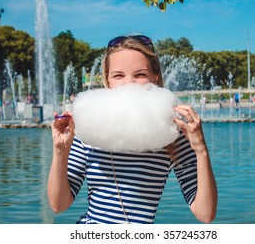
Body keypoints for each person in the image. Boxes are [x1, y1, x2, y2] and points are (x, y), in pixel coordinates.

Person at [48, 34, 217, 224]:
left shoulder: (172, 133)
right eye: (118, 75)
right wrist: (60, 150)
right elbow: (58, 205)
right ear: (108, 80)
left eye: (140, 74)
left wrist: (200, 149)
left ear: (155, 77)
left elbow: (205, 214)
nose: (129, 82)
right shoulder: (87, 129)